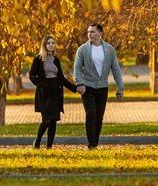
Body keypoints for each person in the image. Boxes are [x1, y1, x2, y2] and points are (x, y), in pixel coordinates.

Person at [72, 22, 124, 150]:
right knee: (91, 114)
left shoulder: (109, 49)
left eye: (92, 32)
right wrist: (79, 83)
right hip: (87, 87)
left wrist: (120, 86)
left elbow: (115, 69)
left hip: (102, 87)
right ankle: (92, 144)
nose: (89, 34)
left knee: (99, 116)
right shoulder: (83, 49)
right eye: (88, 32)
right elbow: (77, 68)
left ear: (100, 34)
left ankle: (95, 142)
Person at [28, 36, 78, 149]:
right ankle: (37, 142)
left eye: (53, 43)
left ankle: (49, 147)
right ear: (44, 45)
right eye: (48, 43)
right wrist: (42, 86)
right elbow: (32, 75)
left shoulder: (56, 60)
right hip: (44, 93)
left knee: (53, 121)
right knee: (46, 120)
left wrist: (75, 89)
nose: (51, 45)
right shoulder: (38, 59)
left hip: (56, 92)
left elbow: (61, 78)